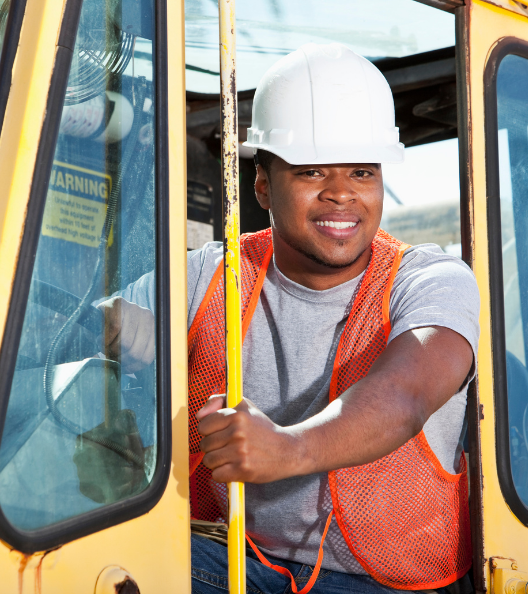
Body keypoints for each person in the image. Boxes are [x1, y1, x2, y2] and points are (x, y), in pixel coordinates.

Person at [102, 43, 481, 593]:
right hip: (230, 554)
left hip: (384, 583)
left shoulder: (431, 280)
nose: (341, 194)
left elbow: (404, 397)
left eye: (361, 172)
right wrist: (115, 327)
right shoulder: (212, 274)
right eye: (310, 172)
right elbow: (89, 322)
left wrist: (287, 449)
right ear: (262, 186)